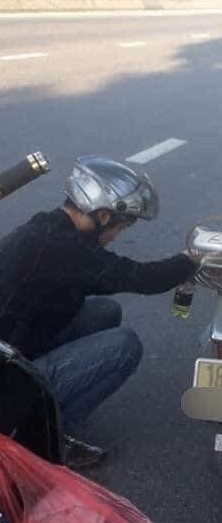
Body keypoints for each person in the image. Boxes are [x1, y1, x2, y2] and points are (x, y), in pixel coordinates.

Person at [0, 156, 198, 469]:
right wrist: (191, 259)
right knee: (125, 346)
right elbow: (144, 278)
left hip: (14, 346)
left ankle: (45, 405)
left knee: (105, 311)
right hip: (6, 382)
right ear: (103, 215)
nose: (116, 236)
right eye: (121, 227)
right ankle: (45, 441)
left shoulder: (46, 226)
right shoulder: (67, 251)